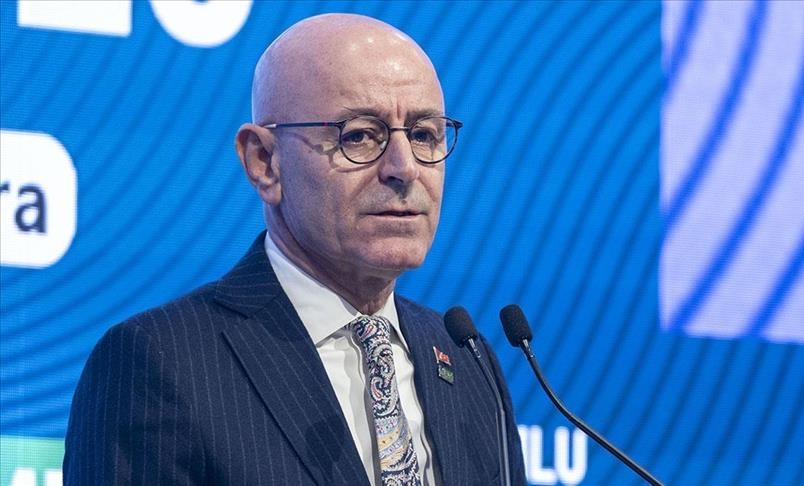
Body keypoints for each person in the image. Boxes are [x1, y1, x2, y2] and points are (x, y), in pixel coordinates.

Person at [63, 13, 525, 485]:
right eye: (360, 135)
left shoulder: (467, 360)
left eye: (424, 134)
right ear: (264, 161)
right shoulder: (160, 361)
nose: (404, 168)